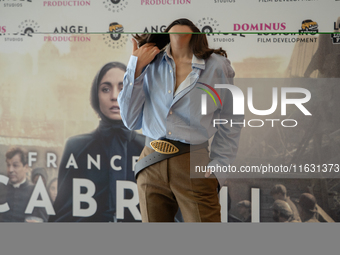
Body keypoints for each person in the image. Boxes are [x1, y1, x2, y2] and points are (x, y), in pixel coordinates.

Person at [118, 18, 243, 222]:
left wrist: (220, 165)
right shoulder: (149, 62)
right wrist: (136, 67)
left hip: (194, 162)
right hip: (151, 161)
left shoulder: (217, 66)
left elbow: (231, 118)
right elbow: (130, 120)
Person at [48, 62, 145, 222]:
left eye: (123, 88)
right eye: (106, 89)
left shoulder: (149, 148)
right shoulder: (76, 146)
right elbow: (63, 211)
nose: (114, 96)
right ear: (96, 95)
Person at [0, 147, 48, 222]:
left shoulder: (37, 192)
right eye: (8, 165)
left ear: (25, 167)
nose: (10, 170)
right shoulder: (2, 190)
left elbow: (47, 221)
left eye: (15, 165)